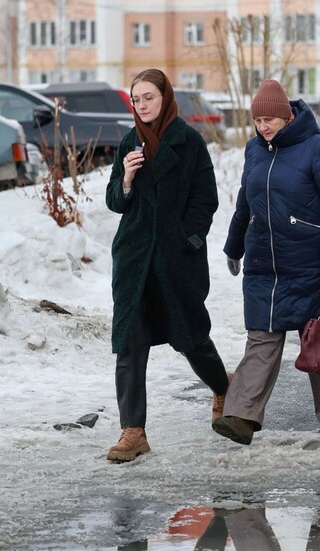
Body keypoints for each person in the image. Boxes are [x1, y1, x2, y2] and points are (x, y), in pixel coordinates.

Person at [214, 79, 320, 446]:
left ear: (287, 116)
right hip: (263, 264)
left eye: (270, 119)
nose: (263, 126)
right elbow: (245, 202)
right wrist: (234, 247)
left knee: (319, 340)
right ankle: (241, 417)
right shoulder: (254, 151)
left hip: (307, 262)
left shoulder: (317, 148)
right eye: (258, 120)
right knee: (261, 338)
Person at [104, 68, 230, 463]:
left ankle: (223, 386)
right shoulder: (129, 142)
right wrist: (125, 178)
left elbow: (205, 199)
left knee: (190, 337)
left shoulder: (188, 142)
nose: (141, 106)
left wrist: (187, 240)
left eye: (148, 98)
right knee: (130, 344)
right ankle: (133, 431)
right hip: (135, 261)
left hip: (176, 262)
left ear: (166, 97)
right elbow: (114, 202)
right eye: (136, 99)